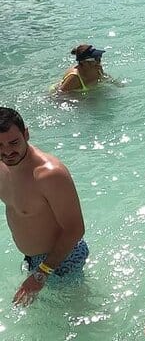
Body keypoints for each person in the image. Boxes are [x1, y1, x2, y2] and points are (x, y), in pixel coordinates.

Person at [0, 108, 87, 307]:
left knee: (74, 316)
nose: (7, 151)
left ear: (26, 134)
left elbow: (75, 230)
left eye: (14, 142)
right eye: (0, 145)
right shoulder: (3, 164)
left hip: (61, 260)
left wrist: (42, 273)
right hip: (32, 258)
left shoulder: (49, 174)